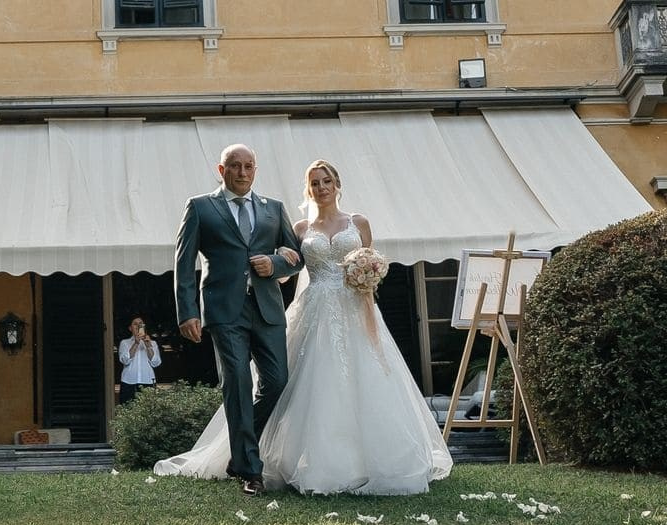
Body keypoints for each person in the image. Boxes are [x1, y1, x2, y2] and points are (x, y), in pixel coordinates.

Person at [157, 158, 453, 495]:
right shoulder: (299, 228)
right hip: (310, 309)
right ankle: (261, 459)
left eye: (326, 181)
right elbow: (290, 267)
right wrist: (274, 263)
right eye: (315, 183)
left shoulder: (358, 222)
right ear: (308, 188)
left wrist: (367, 277)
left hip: (356, 309)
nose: (322, 188)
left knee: (354, 382)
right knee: (307, 383)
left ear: (337, 184)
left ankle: (369, 460)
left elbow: (372, 263)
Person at [162, 142, 303, 496]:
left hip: (268, 309)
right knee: (238, 381)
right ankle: (250, 471)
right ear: (221, 170)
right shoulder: (200, 207)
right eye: (235, 166)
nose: (242, 172)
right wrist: (187, 311)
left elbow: (297, 257)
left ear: (256, 170)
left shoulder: (274, 208)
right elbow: (183, 262)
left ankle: (238, 449)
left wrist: (276, 263)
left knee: (277, 381)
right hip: (225, 312)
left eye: (249, 166)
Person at [116, 317, 160, 405]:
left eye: (140, 323)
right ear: (130, 328)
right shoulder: (124, 343)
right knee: (127, 409)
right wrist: (136, 343)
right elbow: (125, 360)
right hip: (128, 381)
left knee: (148, 411)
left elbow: (155, 363)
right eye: (135, 324)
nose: (138, 325)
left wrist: (148, 346)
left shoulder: (153, 343)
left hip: (147, 380)